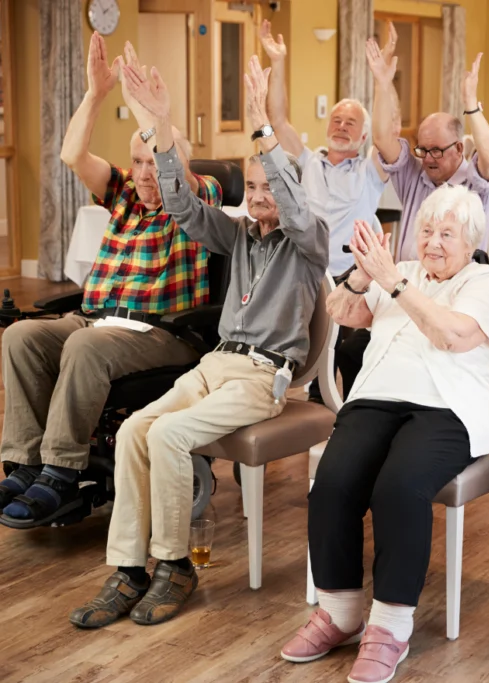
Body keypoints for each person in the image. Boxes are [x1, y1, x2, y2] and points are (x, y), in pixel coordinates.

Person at [69, 55, 328, 628]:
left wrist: (263, 123)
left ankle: (173, 565)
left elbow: (292, 200)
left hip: (263, 376)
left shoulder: (310, 243)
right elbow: (183, 206)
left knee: (168, 434)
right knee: (137, 428)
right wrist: (163, 126)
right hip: (216, 364)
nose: (260, 196)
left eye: (269, 188)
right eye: (253, 187)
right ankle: (130, 572)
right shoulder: (237, 235)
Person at [281, 186, 489, 683]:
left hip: (448, 408)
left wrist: (395, 284)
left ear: (470, 241)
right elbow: (344, 314)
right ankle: (340, 614)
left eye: (447, 234)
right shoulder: (397, 270)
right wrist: (364, 279)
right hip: (376, 399)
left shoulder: (487, 280)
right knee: (332, 483)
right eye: (426, 231)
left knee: (399, 488)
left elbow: (450, 335)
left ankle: (389, 627)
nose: (433, 243)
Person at [0, 35, 220, 528]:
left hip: (164, 332)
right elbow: (72, 154)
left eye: (154, 162)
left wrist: (152, 112)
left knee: (83, 348)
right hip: (98, 320)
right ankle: (26, 462)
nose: (145, 174)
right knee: (20, 336)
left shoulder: (197, 199)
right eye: (137, 162)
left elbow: (171, 169)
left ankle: (60, 471)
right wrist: (97, 93)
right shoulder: (122, 194)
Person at [259, 20, 392, 401]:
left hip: (355, 273)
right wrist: (278, 62)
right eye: (336, 120)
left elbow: (386, 136)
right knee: (305, 347)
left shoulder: (370, 168)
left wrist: (382, 82)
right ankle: (305, 394)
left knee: (351, 353)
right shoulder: (307, 162)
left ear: (364, 136)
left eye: (351, 123)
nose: (342, 126)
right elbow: (277, 120)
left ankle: (351, 405)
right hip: (311, 271)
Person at [366, 31, 489, 262]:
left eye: (437, 151)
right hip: (407, 284)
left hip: (457, 289)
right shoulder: (414, 175)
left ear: (459, 149)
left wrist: (471, 104)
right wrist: (381, 83)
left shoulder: (476, 185)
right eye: (423, 150)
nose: (428, 159)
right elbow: (382, 140)